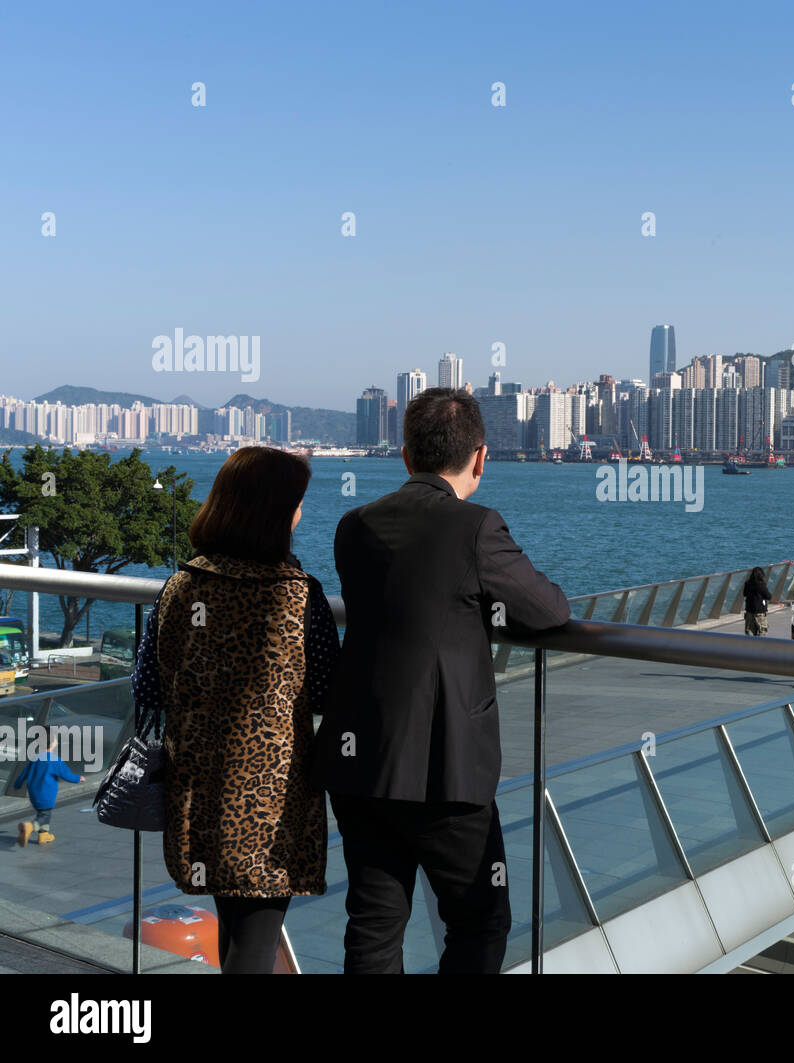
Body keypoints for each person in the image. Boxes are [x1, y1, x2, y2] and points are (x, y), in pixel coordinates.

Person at [312, 389, 570, 974]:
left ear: (405, 456)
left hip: (360, 761)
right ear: (480, 458)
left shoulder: (355, 526)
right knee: (480, 920)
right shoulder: (477, 527)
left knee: (374, 924)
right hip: (445, 768)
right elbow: (548, 610)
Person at [132, 446, 340, 974]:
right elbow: (326, 688)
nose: (301, 513)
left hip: (199, 786)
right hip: (274, 800)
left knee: (233, 923)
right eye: (297, 502)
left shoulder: (182, 586)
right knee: (257, 936)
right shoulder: (298, 595)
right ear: (273, 511)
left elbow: (147, 684)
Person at [14, 733, 84, 847]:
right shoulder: (55, 760)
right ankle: (30, 827)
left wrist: (17, 785)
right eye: (56, 739)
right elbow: (66, 774)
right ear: (52, 743)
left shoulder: (35, 758)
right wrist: (78, 778)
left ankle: (43, 835)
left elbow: (23, 774)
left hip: (33, 792)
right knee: (45, 815)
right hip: (46, 793)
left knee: (43, 813)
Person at [743, 567, 782, 634]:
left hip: (749, 611)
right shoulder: (761, 584)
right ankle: (760, 644)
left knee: (750, 632)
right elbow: (768, 596)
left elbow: (745, 594)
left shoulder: (747, 583)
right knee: (762, 631)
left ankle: (751, 644)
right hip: (759, 612)